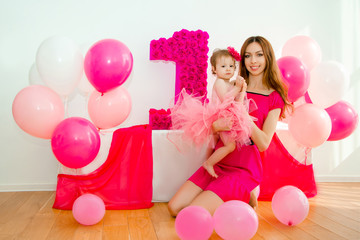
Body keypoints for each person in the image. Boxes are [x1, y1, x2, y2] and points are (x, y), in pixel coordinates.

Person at [168, 36, 292, 216]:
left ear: (268, 58)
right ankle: (238, 198)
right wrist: (216, 126)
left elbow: (264, 143)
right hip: (219, 160)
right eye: (248, 56)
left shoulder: (274, 97)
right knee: (174, 208)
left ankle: (241, 192)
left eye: (259, 55)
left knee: (192, 213)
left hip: (243, 168)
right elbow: (212, 122)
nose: (253, 61)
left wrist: (244, 115)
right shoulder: (232, 86)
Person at [170, 48, 253, 179]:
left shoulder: (228, 83)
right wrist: (237, 88)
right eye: (223, 66)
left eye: (231, 66)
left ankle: (209, 162)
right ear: (214, 69)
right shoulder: (220, 82)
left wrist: (242, 90)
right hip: (218, 116)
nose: (228, 69)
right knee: (229, 146)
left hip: (226, 116)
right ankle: (209, 163)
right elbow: (226, 98)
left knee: (215, 146)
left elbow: (238, 102)